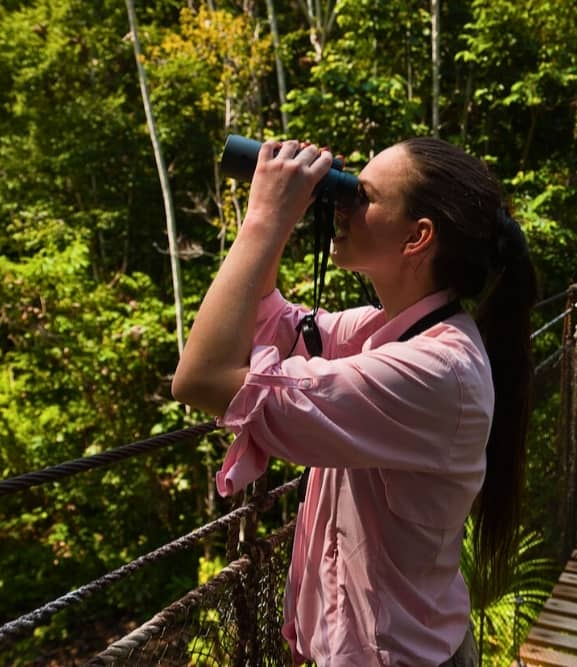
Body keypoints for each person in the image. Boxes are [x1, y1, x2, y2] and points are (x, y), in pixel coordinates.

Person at [171, 136, 538, 665]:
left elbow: (201, 378)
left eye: (361, 197)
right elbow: (265, 321)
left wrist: (264, 219)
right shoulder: (391, 332)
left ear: (418, 237)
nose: (341, 206)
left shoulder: (434, 370)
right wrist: (280, 212)